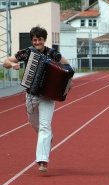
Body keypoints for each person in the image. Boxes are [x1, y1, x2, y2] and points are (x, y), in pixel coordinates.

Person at [3, 26, 70, 172]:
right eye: (35, 40)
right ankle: (47, 138)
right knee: (34, 124)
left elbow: (67, 66)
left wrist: (66, 83)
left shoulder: (53, 53)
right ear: (32, 40)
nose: (37, 42)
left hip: (47, 96)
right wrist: (13, 64)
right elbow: (5, 62)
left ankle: (42, 160)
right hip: (31, 95)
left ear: (44, 40)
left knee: (45, 125)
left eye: (40, 39)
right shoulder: (26, 52)